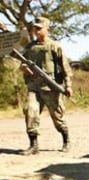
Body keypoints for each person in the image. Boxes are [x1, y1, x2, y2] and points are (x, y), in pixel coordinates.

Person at [19, 17, 73, 155]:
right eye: (34, 28)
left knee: (58, 118)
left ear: (47, 29)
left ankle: (66, 140)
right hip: (34, 87)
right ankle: (33, 145)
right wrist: (24, 68)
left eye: (39, 28)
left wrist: (68, 86)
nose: (36, 31)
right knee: (30, 111)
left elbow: (65, 68)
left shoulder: (55, 46)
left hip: (51, 88)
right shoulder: (30, 47)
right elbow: (22, 63)